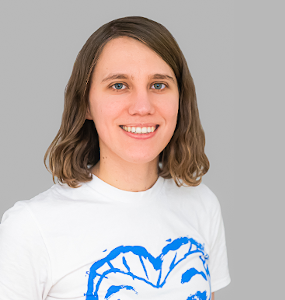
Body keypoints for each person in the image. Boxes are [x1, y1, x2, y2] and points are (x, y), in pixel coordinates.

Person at [0, 16, 230, 300]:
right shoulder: (29, 228)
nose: (143, 107)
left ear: (180, 100)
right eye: (119, 85)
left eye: (159, 85)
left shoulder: (202, 204)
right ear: (85, 103)